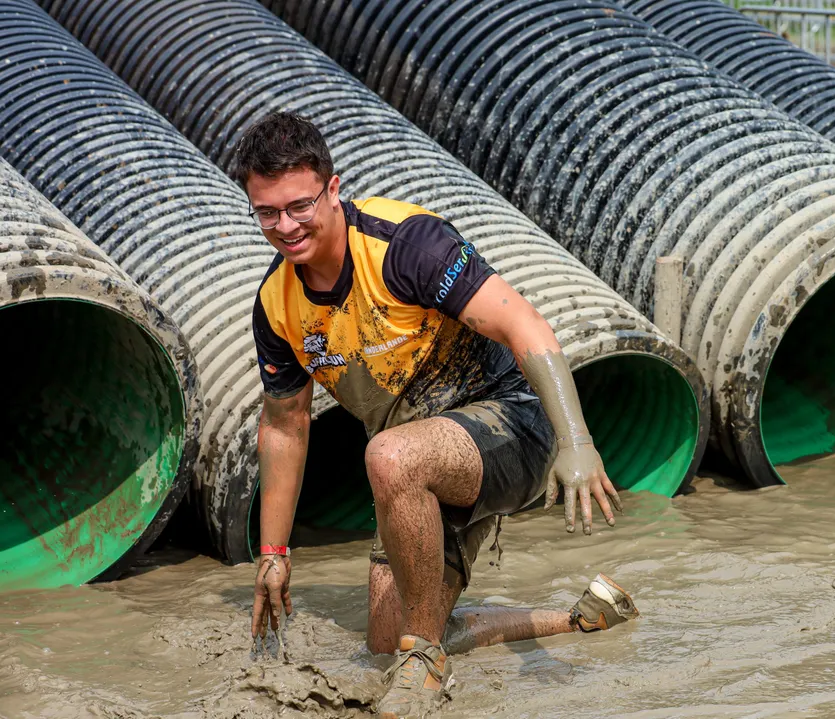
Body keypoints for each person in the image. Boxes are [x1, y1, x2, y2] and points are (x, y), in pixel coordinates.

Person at [234, 111, 639, 718]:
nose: (286, 227)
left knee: (390, 458)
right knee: (383, 640)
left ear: (333, 189)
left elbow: (523, 322)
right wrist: (273, 552)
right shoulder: (277, 305)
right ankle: (581, 618)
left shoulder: (405, 246)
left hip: (511, 425)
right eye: (267, 213)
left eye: (299, 206)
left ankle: (424, 661)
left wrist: (575, 440)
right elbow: (285, 424)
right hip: (410, 464)